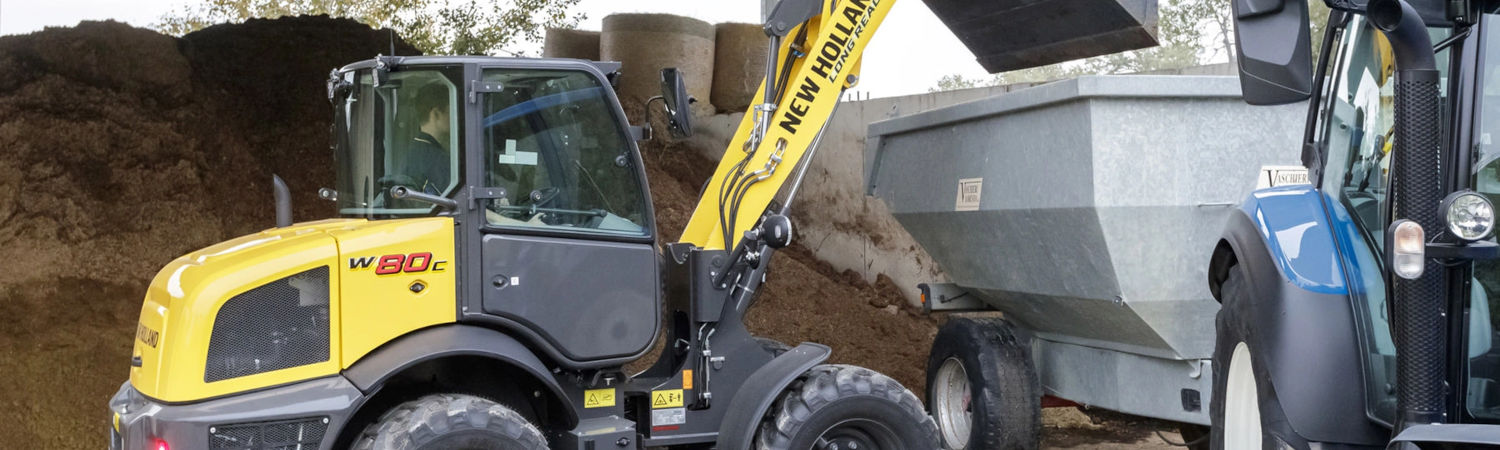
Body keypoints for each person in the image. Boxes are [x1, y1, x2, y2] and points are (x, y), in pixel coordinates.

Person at [406, 83, 452, 195]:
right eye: (451, 111)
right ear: (436, 114)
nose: (457, 117)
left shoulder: (413, 151)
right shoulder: (437, 159)